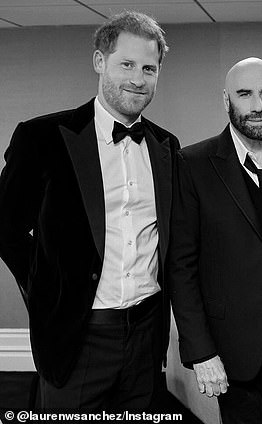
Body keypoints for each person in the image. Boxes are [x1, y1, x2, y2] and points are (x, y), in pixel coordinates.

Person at [0, 11, 179, 411]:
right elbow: (6, 228)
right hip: (78, 338)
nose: (138, 78)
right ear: (100, 62)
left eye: (149, 68)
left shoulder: (167, 146)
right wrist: (49, 286)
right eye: (127, 64)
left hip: (146, 335)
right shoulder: (42, 137)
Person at [169, 57, 262, 423]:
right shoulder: (192, 164)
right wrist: (201, 350)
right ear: (227, 101)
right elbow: (181, 265)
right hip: (231, 346)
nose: (257, 106)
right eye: (245, 94)